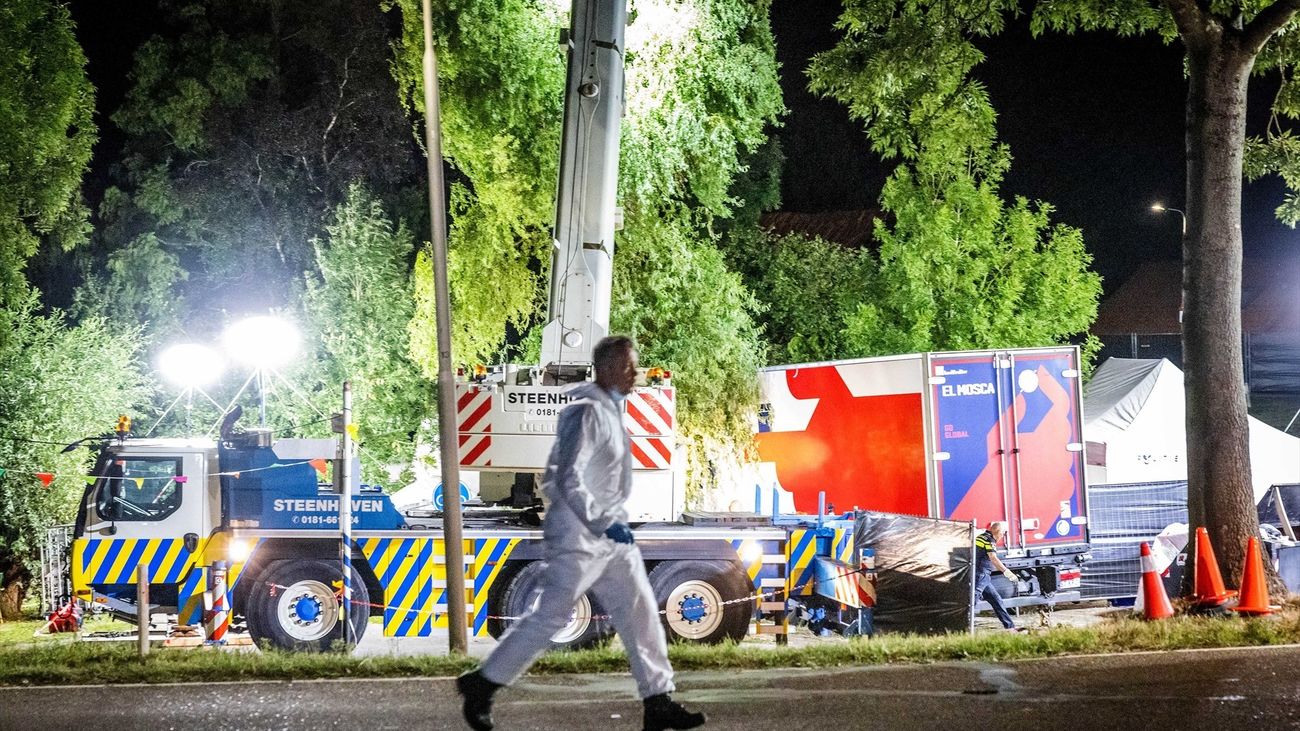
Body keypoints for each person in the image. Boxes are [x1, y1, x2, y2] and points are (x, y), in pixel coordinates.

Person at [457, 336, 706, 731]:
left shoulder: (609, 408)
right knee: (551, 615)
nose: (636, 374)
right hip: (578, 537)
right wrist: (603, 523)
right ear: (607, 369)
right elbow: (568, 479)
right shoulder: (586, 412)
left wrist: (612, 524)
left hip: (608, 537)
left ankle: (659, 701)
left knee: (640, 614)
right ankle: (482, 684)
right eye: (628, 367)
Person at [975, 521, 1023, 632]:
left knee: (996, 600)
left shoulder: (981, 537)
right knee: (972, 601)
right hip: (981, 575)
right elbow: (993, 558)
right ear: (999, 532)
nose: (1002, 536)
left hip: (982, 575)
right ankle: (961, 628)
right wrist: (1007, 573)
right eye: (1003, 534)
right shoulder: (989, 540)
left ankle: (1010, 627)